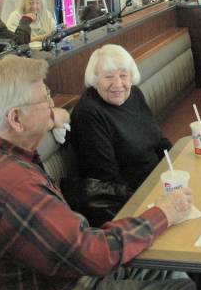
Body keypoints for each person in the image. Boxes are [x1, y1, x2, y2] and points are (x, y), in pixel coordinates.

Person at [0, 55, 196, 290]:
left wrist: (53, 117)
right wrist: (164, 213)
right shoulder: (14, 187)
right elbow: (94, 253)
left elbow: (79, 250)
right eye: (45, 99)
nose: (52, 104)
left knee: (169, 265)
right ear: (16, 118)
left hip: (61, 275)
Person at [67, 44, 172, 226]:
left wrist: (178, 167)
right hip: (129, 202)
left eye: (123, 75)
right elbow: (107, 180)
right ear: (95, 79)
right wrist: (154, 201)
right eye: (108, 77)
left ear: (131, 76)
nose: (118, 84)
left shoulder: (134, 95)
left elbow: (159, 141)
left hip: (158, 182)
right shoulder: (88, 114)